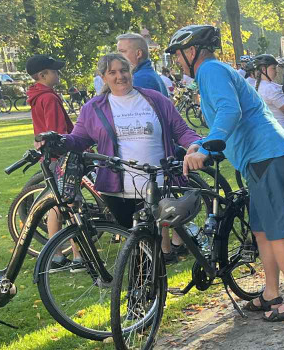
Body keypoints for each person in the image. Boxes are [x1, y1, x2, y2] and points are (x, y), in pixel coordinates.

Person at [167, 24, 284, 322]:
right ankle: (271, 293)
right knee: (261, 230)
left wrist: (208, 148)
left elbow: (229, 111)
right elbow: (228, 118)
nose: (177, 61)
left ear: (192, 51)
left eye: (178, 55)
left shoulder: (210, 70)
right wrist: (201, 143)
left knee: (277, 231)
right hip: (260, 157)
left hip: (267, 155)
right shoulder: (214, 72)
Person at [64, 52, 201, 260]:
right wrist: (58, 140)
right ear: (103, 77)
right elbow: (79, 140)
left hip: (156, 184)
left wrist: (195, 145)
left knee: (154, 249)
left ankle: (160, 267)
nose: (120, 76)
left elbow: (181, 130)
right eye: (112, 72)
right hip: (116, 191)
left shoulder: (155, 100)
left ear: (131, 72)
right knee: (138, 248)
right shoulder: (93, 108)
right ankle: (149, 274)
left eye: (123, 70)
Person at [25, 54, 77, 265]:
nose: (58, 74)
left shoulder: (38, 95)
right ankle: (77, 255)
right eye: (54, 71)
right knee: (71, 204)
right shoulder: (49, 98)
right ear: (42, 75)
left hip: (49, 156)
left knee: (58, 204)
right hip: (60, 156)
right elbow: (58, 131)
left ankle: (57, 253)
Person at [251, 54, 284, 143]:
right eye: (273, 68)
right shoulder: (270, 88)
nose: (276, 71)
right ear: (263, 69)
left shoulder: (257, 85)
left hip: (269, 131)